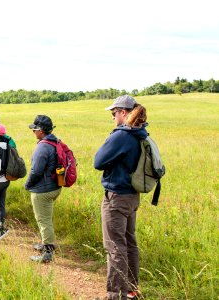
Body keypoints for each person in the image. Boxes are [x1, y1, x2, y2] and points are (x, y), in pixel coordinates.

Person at [94, 95, 148, 300]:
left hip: (116, 196)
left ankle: (116, 295)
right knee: (129, 243)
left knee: (115, 247)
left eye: (114, 113)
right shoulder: (140, 133)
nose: (113, 117)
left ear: (123, 112)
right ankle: (132, 289)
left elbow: (98, 161)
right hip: (132, 196)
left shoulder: (122, 135)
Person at [25, 115, 61, 263]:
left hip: (43, 190)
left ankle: (47, 252)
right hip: (55, 186)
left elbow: (36, 171)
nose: (33, 132)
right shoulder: (55, 142)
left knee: (43, 220)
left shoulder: (42, 146)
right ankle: (46, 243)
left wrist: (27, 184)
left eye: (34, 129)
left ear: (40, 130)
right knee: (46, 218)